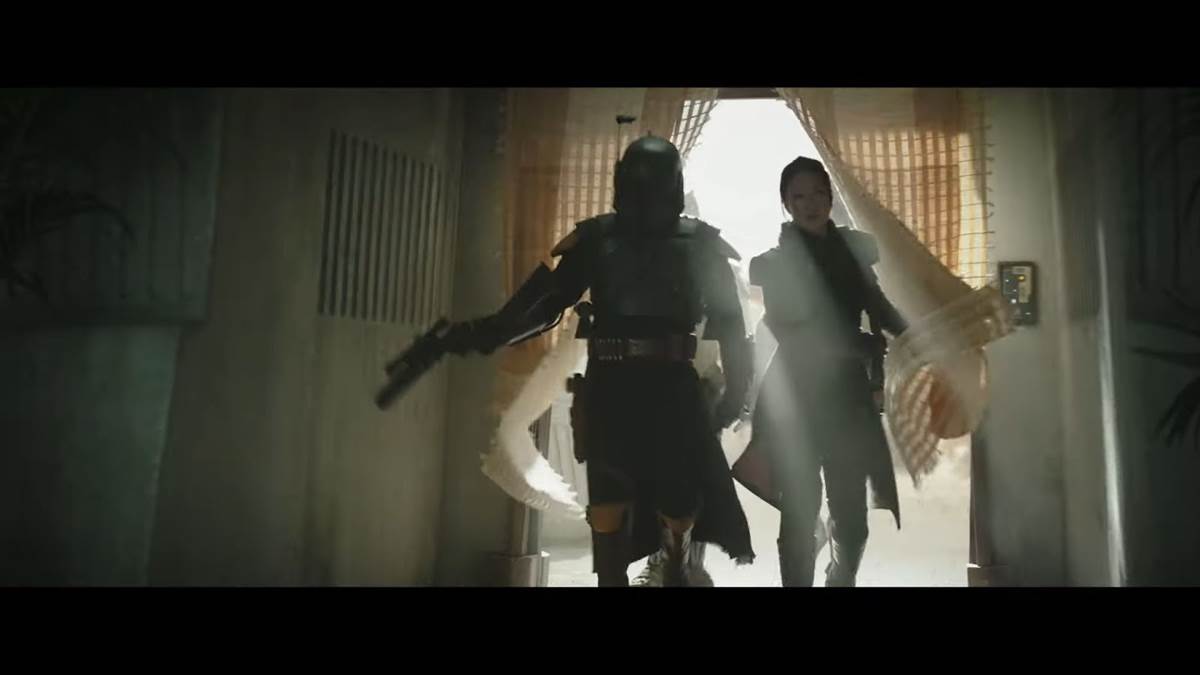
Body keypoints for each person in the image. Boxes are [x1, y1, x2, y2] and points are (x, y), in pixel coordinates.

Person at [432, 136, 756, 586]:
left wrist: (736, 392)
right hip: (612, 383)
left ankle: (673, 563)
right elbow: (548, 304)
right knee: (608, 501)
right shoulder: (598, 239)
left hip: (671, 385)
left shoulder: (700, 245)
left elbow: (732, 328)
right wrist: (487, 332)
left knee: (677, 501)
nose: (645, 196)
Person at [742, 155, 907, 587]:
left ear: (830, 198)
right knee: (799, 514)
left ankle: (840, 577)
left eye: (818, 193)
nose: (810, 204)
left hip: (847, 396)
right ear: (786, 203)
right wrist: (859, 345)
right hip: (794, 395)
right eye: (799, 196)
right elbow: (788, 326)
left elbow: (877, 304)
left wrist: (912, 335)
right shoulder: (772, 264)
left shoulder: (855, 250)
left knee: (852, 521)